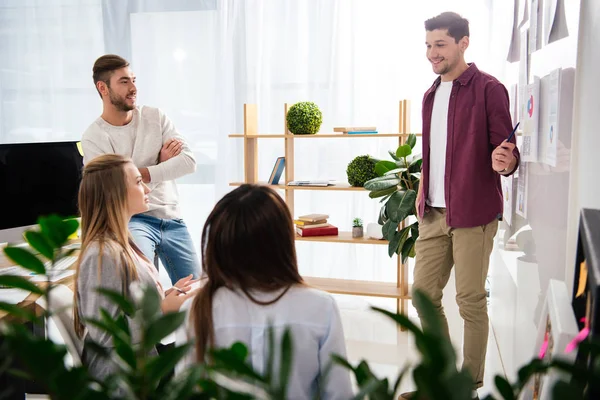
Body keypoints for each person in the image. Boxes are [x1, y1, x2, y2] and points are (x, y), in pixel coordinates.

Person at [401, 12, 521, 400]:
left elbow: (506, 151)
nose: (432, 54)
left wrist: (507, 161)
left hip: (473, 215)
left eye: (440, 45)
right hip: (432, 214)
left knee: (469, 301)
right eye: (428, 46)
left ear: (463, 42)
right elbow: (434, 154)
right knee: (423, 294)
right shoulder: (430, 94)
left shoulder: (489, 89)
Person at [176, 184, 353, 399]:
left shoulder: (195, 309)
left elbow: (185, 391)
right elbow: (339, 393)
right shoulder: (320, 307)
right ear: (283, 241)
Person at [73, 154, 197, 381]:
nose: (148, 190)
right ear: (115, 193)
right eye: (139, 182)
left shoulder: (121, 244)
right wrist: (163, 311)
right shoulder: (102, 255)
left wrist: (169, 294)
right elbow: (106, 335)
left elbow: (129, 305)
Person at [81, 54, 200, 285]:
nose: (133, 88)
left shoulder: (155, 117)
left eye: (134, 80)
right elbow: (115, 192)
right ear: (103, 88)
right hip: (133, 221)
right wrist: (160, 165)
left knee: (199, 293)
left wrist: (136, 175)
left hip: (172, 217)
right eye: (124, 82)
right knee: (142, 286)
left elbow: (188, 162)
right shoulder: (94, 137)